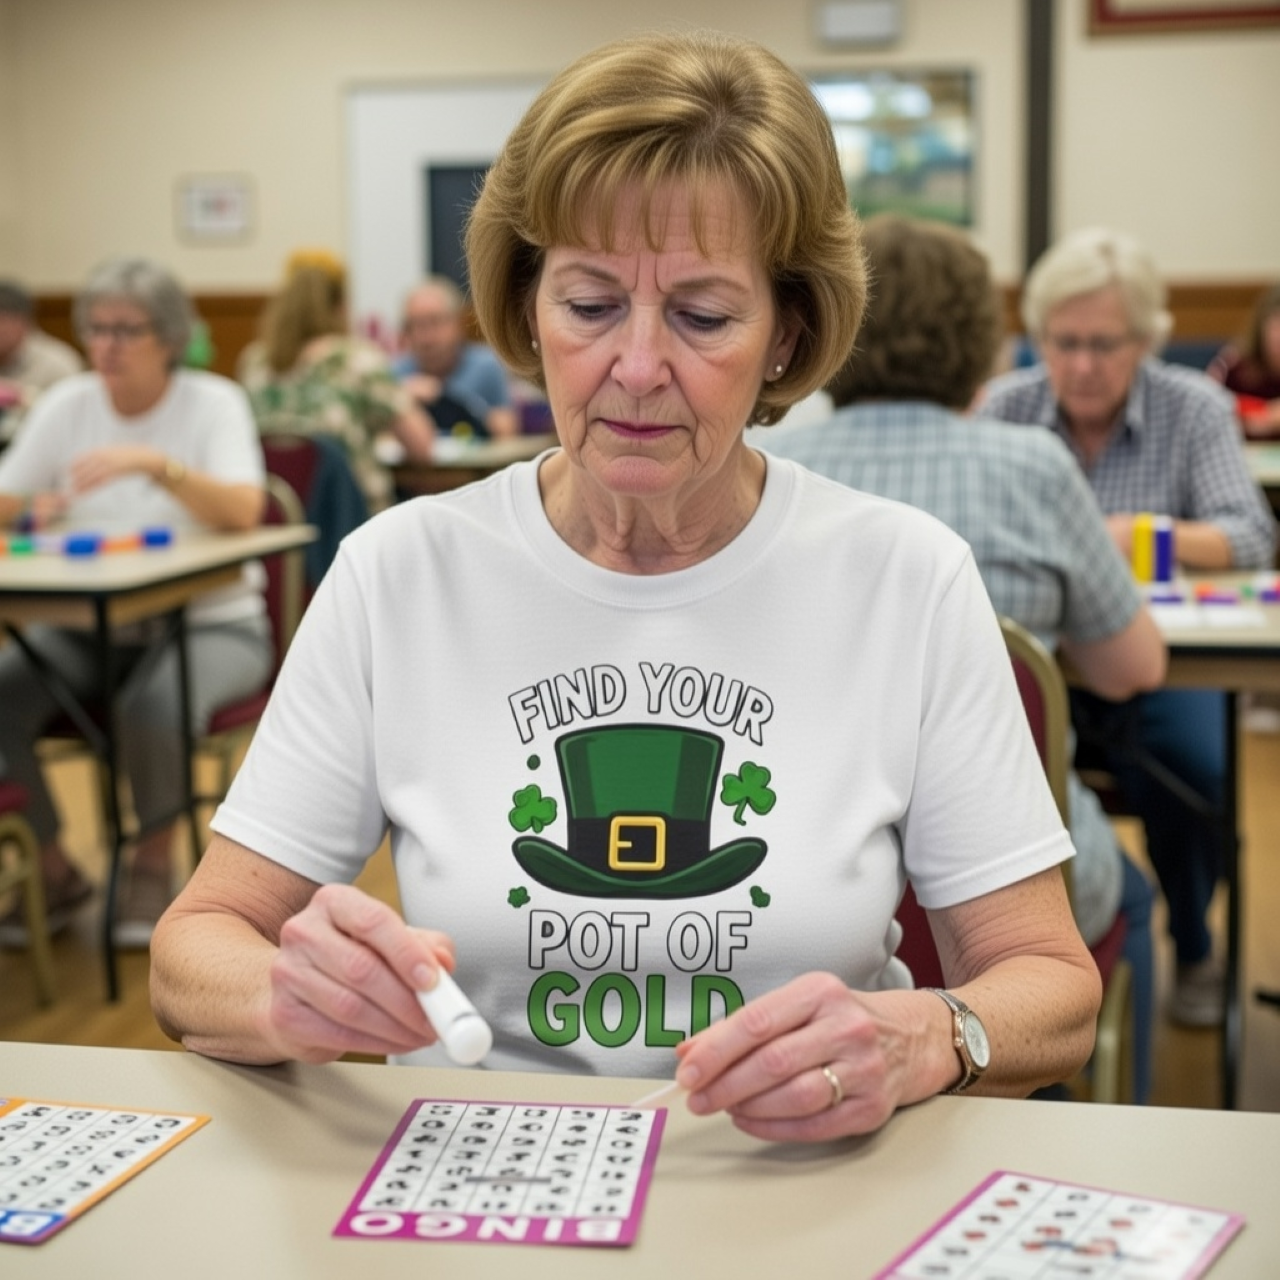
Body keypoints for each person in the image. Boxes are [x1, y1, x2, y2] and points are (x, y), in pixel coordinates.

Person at [151, 31, 1100, 1143]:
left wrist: (933, 1033)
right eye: (590, 305)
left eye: (703, 317)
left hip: (804, 1172)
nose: (638, 368)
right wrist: (280, 994)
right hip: (478, 1175)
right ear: (527, 305)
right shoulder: (399, 573)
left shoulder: (903, 578)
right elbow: (192, 950)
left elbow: (1050, 984)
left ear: (787, 333)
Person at [763, 214, 1167, 1101]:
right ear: (980, 339)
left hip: (802, 884)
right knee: (1131, 894)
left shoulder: (763, 466)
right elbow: (1131, 671)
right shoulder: (1035, 465)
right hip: (1018, 902)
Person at [981, 227, 1277, 1028]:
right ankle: (1030, 961)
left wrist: (1128, 536)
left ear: (1146, 340)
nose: (1081, 365)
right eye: (1063, 343)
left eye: (1103, 344)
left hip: (1155, 662)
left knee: (1199, 774)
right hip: (1041, 663)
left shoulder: (1195, 408)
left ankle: (1194, 941)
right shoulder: (1007, 407)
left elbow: (1250, 534)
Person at [0, 257, 272, 947]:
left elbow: (245, 511)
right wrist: (29, 506)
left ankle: (154, 862)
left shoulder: (213, 401)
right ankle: (55, 869)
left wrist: (157, 466)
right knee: (3, 692)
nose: (107, 344)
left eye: (127, 329)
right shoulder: (67, 404)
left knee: (153, 705)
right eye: (96, 328)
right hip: (91, 626)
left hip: (214, 624)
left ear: (170, 336)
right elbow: (7, 495)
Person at [236, 251, 434, 507]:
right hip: (351, 516)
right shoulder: (357, 360)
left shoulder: (254, 363)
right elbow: (421, 447)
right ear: (340, 305)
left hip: (278, 515)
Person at [393, 276, 519, 439]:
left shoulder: (486, 366)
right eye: (415, 325)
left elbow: (507, 429)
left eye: (435, 322)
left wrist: (444, 398)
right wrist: (398, 400)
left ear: (458, 324)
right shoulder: (396, 375)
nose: (426, 338)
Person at [0, 279, 84, 439]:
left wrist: (21, 397)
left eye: (2, 320)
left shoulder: (59, 363)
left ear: (23, 322)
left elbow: (74, 418)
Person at [1208, 283, 1280, 438]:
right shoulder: (1231, 366)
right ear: (1261, 326)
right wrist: (1262, 416)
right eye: (1277, 324)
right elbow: (1206, 412)